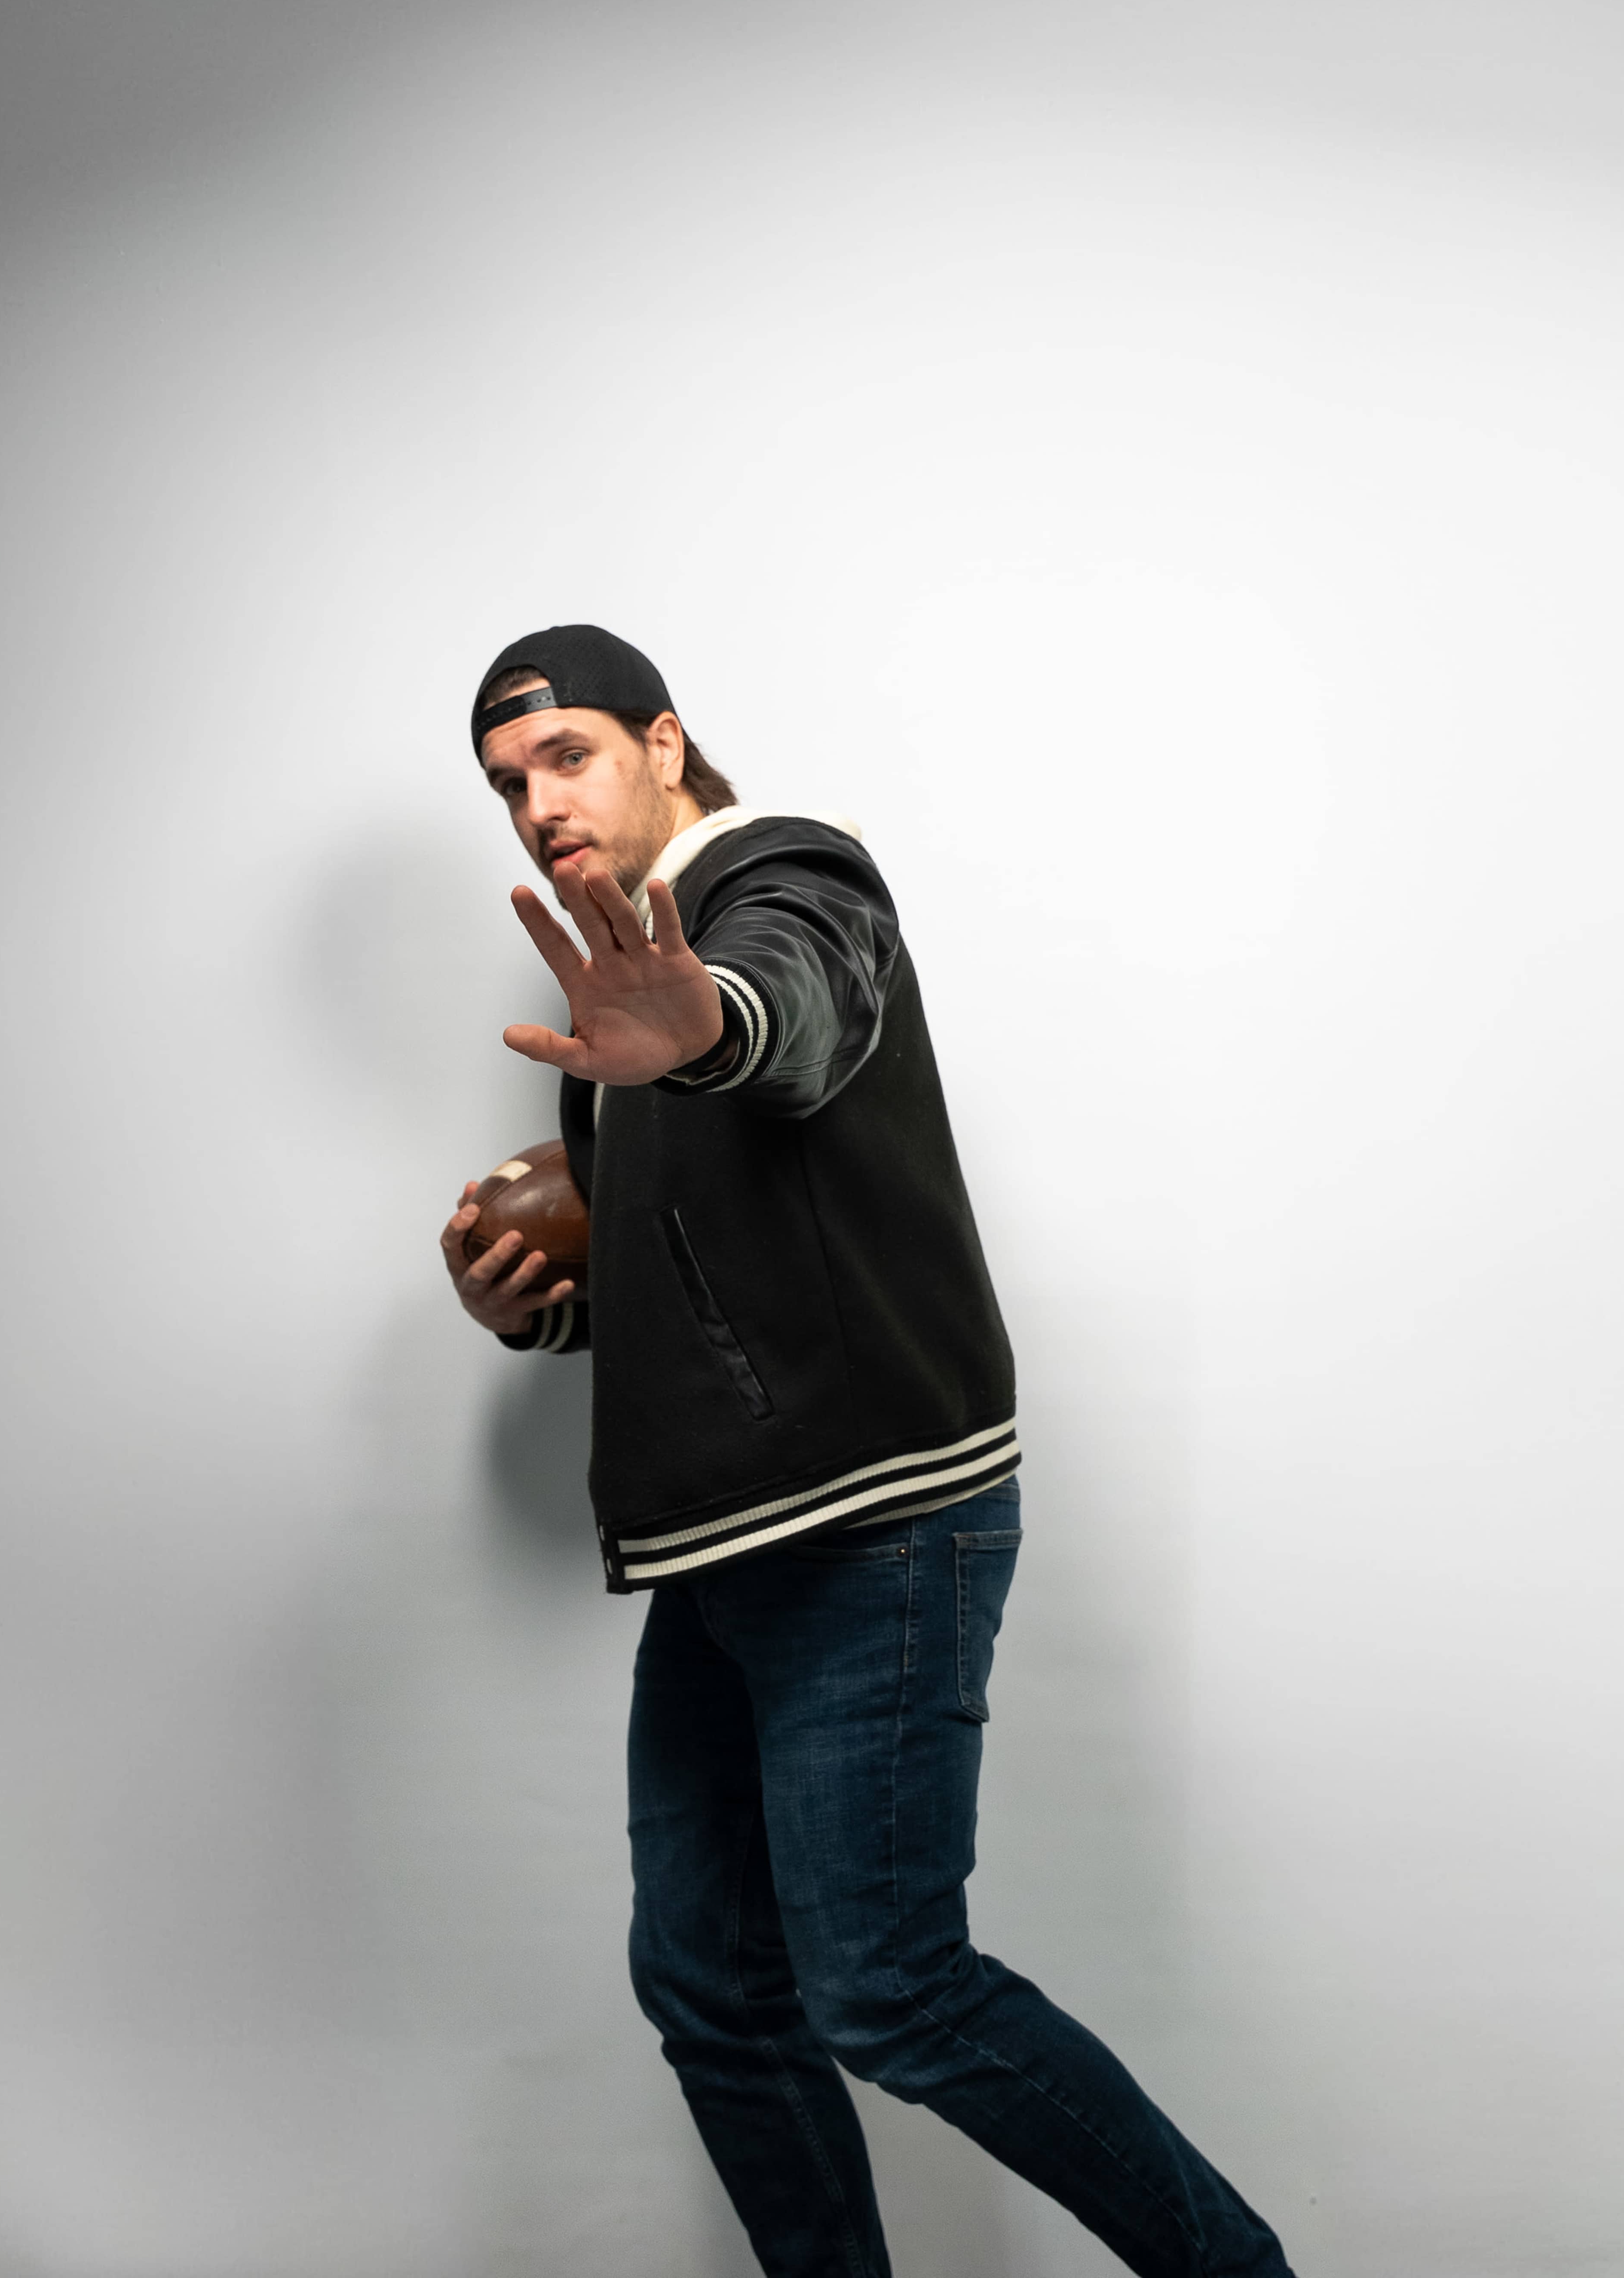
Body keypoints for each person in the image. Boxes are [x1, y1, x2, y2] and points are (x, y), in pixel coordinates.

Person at [441, 623, 1295, 2278]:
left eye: (567, 757)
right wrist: (531, 1311)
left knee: (893, 1990)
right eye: (507, 786)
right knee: (709, 1987)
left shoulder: (782, 877)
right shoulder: (616, 1007)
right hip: (720, 1548)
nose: (538, 805)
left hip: (873, 1530)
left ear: (665, 745)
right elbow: (692, 1274)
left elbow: (800, 1012)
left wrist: (712, 1028)